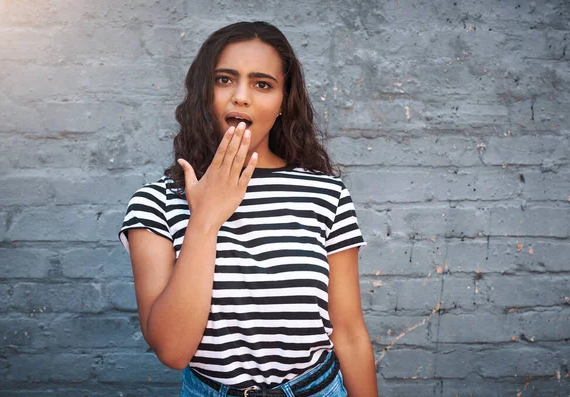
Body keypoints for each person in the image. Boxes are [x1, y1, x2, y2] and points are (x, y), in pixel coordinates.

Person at [118, 21, 378, 397]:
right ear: (202, 94)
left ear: (283, 104)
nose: (241, 96)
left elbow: (350, 332)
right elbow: (172, 351)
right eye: (224, 79)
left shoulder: (327, 194)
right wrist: (205, 220)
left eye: (262, 84)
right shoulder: (156, 203)